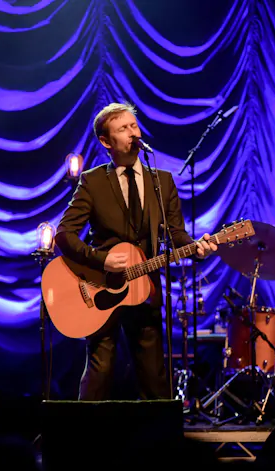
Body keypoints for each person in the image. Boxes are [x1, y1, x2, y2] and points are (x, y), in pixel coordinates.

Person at [55, 102, 218, 401]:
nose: (132, 133)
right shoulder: (93, 181)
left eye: (134, 126)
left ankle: (158, 444)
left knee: (154, 374)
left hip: (147, 288)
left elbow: (176, 234)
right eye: (123, 129)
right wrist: (102, 259)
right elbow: (63, 236)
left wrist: (197, 249)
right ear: (106, 142)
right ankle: (80, 442)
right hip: (102, 289)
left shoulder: (162, 181)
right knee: (100, 370)